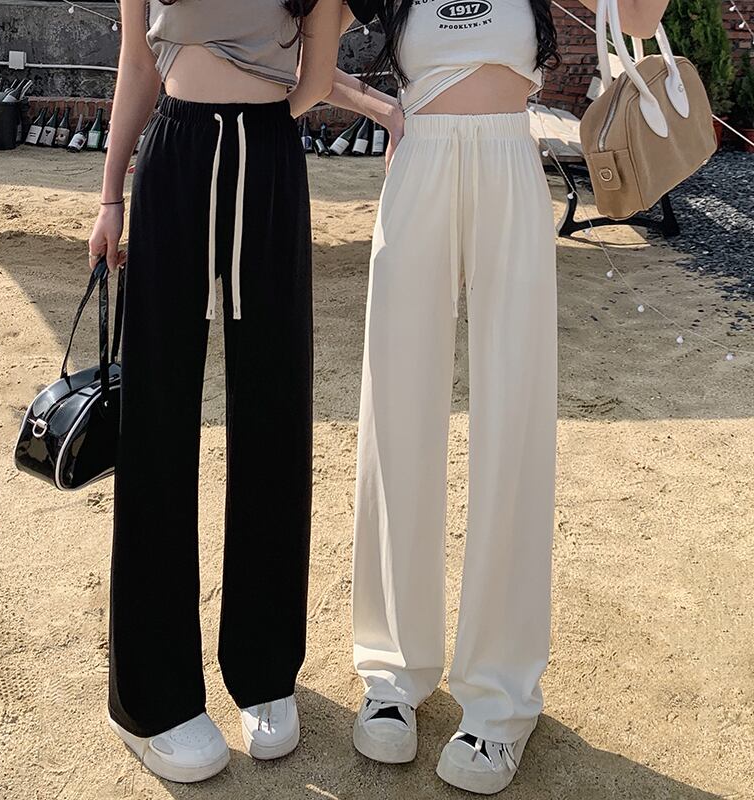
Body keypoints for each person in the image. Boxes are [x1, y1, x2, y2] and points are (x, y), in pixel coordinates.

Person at [327, 0, 670, 793]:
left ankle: (501, 696)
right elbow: (294, 44)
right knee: (396, 411)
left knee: (515, 415)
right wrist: (383, 108)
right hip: (420, 163)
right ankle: (392, 672)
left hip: (509, 162)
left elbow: (640, 14)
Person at [87, 0, 341, 783]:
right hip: (177, 153)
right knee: (156, 420)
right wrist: (110, 196)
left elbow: (315, 80)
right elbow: (138, 62)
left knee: (275, 413)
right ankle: (149, 698)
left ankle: (265, 668)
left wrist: (252, 108)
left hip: (269, 161)